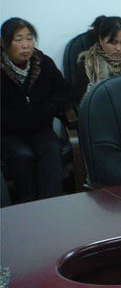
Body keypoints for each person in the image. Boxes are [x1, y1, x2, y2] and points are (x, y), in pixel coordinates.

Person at [1, 18, 71, 203]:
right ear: (4, 43)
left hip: (39, 129)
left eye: (29, 38)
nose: (26, 45)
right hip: (8, 134)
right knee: (22, 156)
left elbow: (64, 92)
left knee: (51, 149)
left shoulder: (43, 63)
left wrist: (49, 108)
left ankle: (53, 203)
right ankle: (27, 206)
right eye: (18, 39)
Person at [74, 15, 121, 104]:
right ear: (100, 40)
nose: (119, 48)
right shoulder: (89, 64)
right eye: (113, 43)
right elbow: (82, 101)